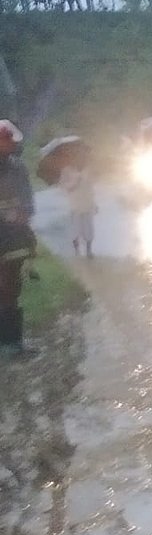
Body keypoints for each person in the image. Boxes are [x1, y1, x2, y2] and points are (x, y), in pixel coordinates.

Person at [0, 119, 35, 357]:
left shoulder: (17, 167)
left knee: (12, 287)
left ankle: (13, 342)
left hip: (14, 237)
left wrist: (22, 213)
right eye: (7, 141)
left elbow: (27, 199)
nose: (11, 145)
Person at [60, 148, 96, 257]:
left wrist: (94, 203)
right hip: (75, 206)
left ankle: (89, 251)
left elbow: (90, 188)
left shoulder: (88, 170)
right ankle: (77, 251)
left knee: (89, 230)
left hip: (87, 205)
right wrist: (76, 182)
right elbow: (65, 188)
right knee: (75, 230)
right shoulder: (67, 171)